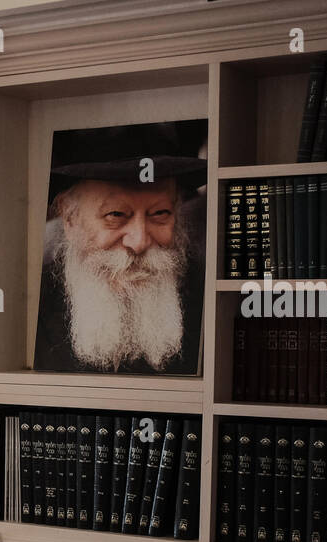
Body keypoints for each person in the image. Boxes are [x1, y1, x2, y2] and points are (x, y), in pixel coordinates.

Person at [34, 123, 206, 375]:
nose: (139, 242)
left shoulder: (206, 301)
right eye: (115, 214)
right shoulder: (31, 309)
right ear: (70, 219)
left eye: (160, 213)